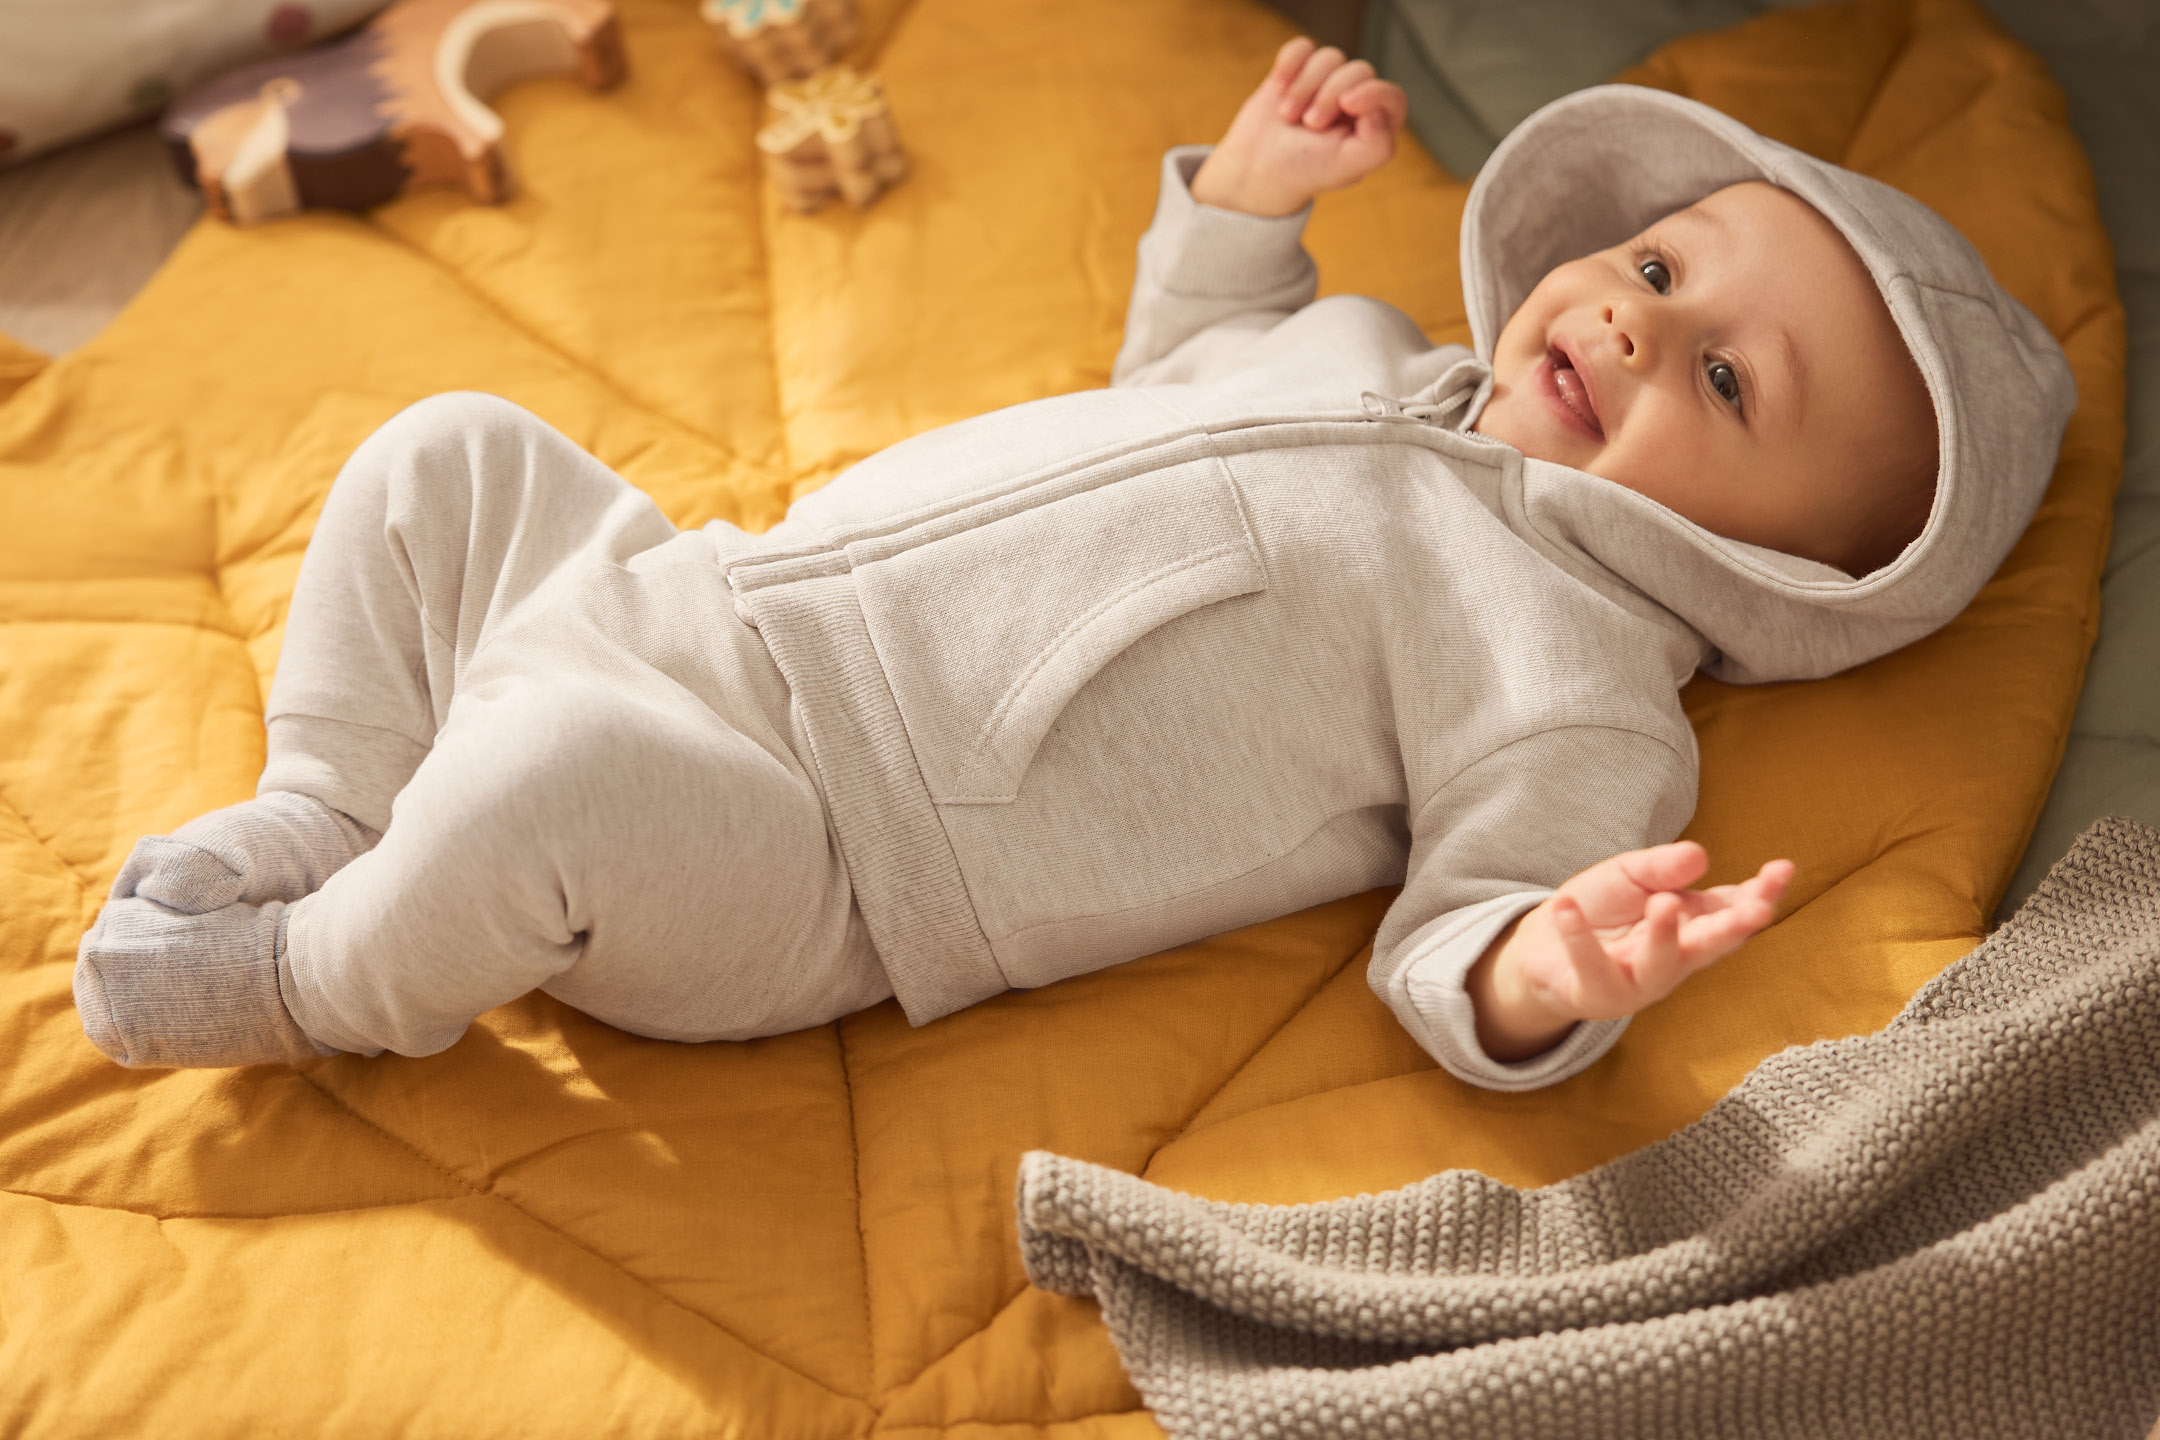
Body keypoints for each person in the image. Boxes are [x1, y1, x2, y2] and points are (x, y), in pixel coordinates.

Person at [73, 41, 2074, 1083]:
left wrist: (1550, 972)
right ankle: (331, 804)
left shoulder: (1575, 680)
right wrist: (1249, 212)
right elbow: (1174, 380)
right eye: (1653, 265)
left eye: (1725, 378)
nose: (1635, 320)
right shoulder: (1375, 352)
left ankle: (316, 979)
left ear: (1781, 578)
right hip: (700, 594)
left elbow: (1467, 930)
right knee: (443, 457)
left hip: (814, 851)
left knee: (539, 792)